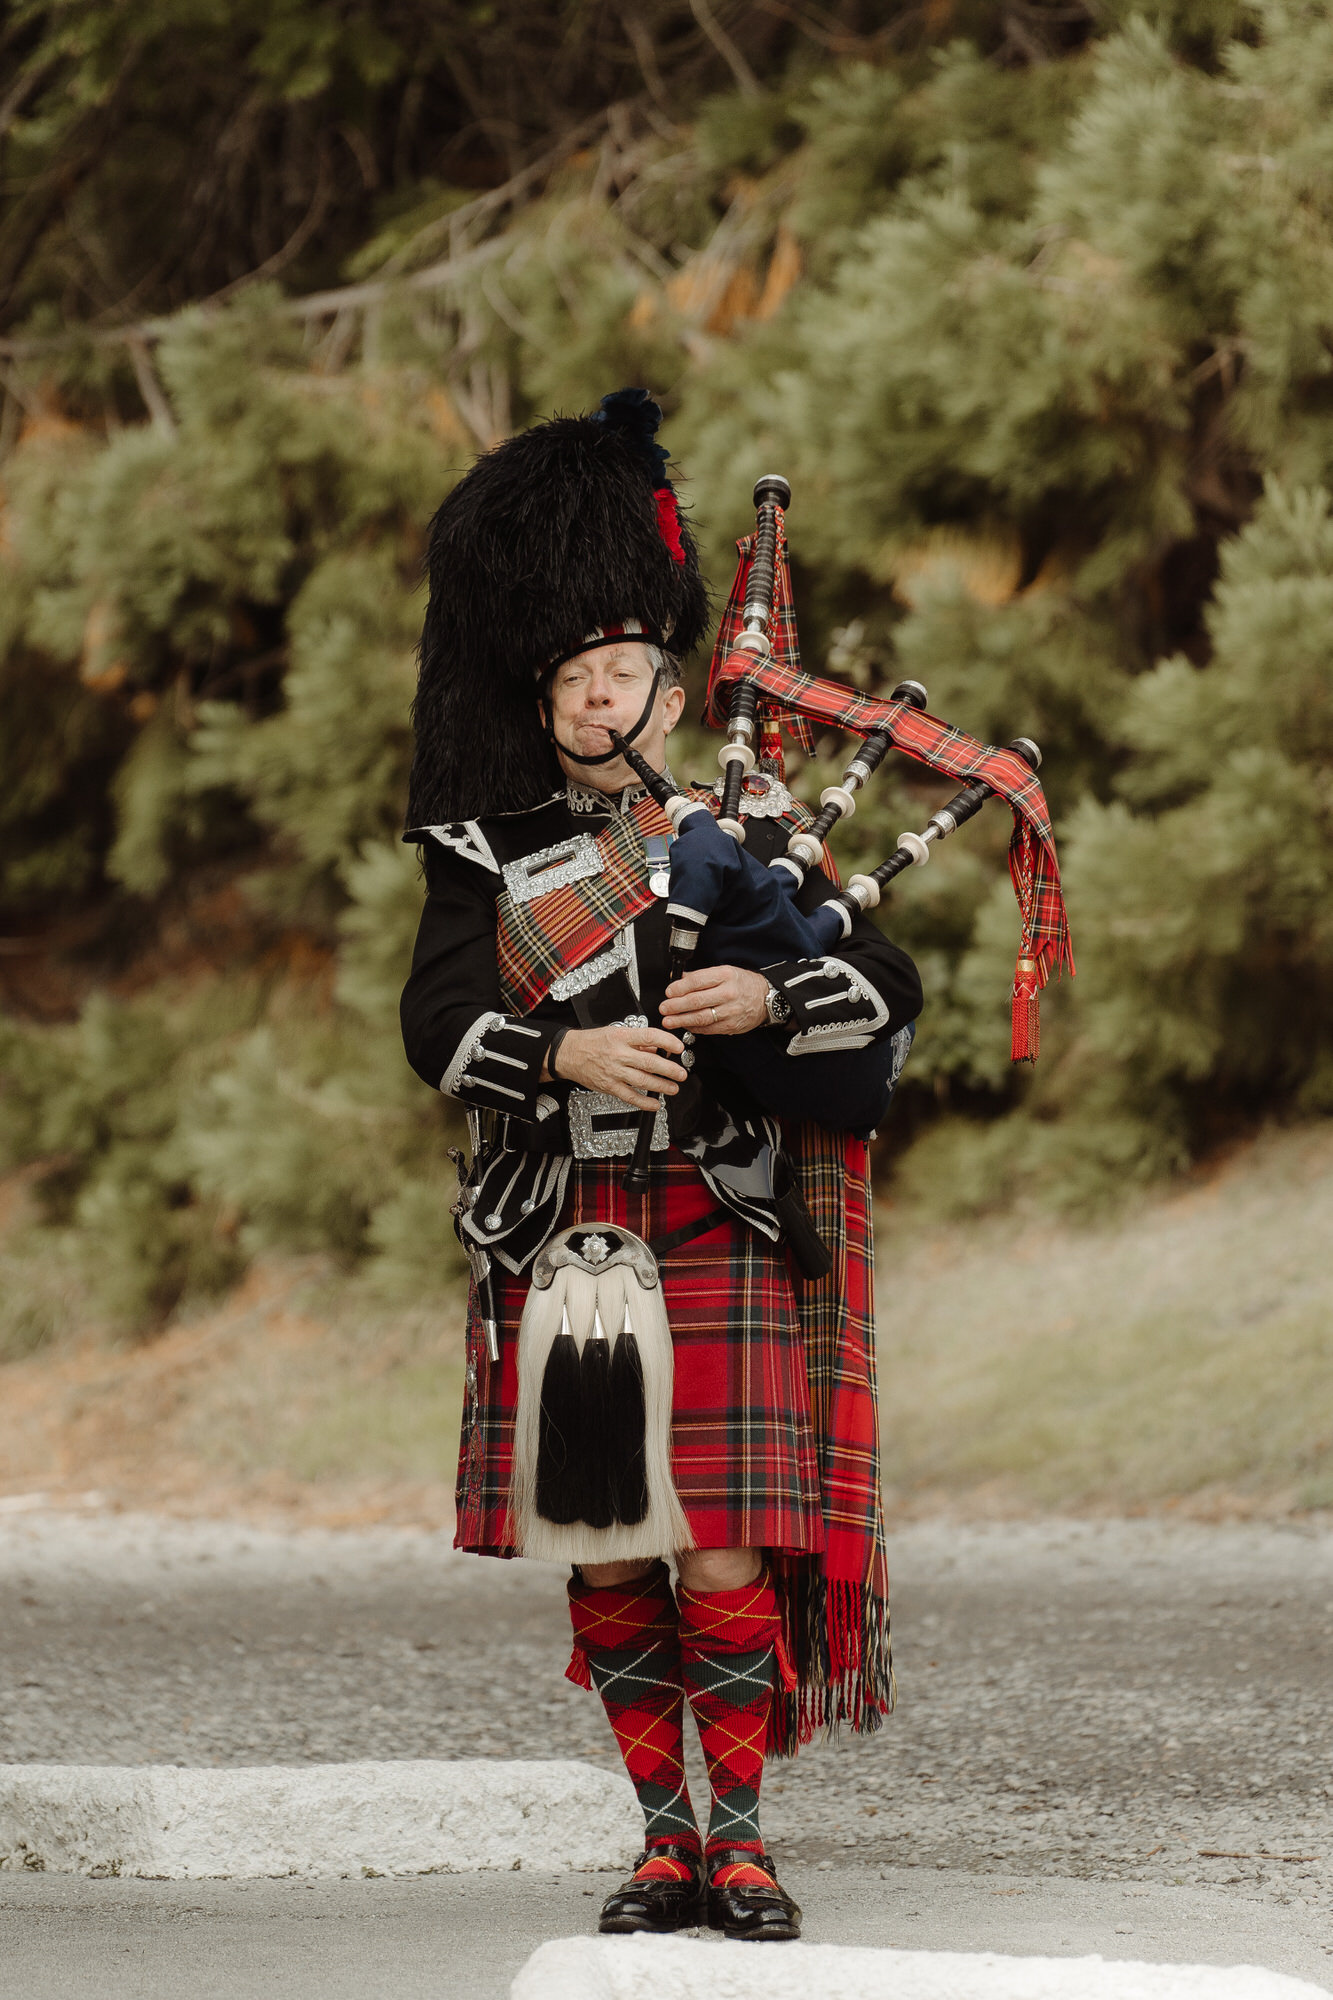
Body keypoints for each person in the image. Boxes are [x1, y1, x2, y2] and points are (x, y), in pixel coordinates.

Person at [400, 390, 922, 1942]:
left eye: (624, 668)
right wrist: (562, 1053)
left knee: (725, 1542)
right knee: (613, 1537)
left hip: (726, 1209)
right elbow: (433, 1017)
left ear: (672, 687)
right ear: (542, 693)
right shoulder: (483, 849)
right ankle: (661, 1839)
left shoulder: (757, 824)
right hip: (572, 1223)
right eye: (573, 672)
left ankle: (745, 1842)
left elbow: (884, 985)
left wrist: (766, 996)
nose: (598, 693)